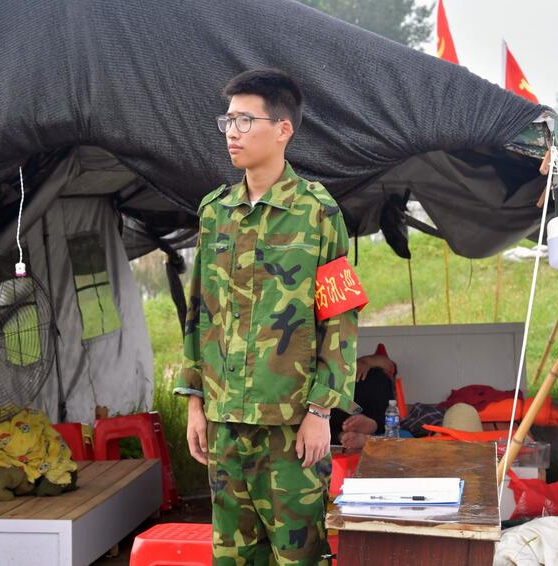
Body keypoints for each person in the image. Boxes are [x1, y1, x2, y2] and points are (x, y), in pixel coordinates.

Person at [174, 68, 359, 565]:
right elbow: (199, 313)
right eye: (227, 121)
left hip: (290, 428)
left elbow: (340, 319)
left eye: (244, 120)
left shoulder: (319, 213)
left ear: (283, 129)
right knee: (232, 557)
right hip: (224, 424)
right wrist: (195, 401)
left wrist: (321, 413)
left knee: (297, 557)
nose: (232, 132)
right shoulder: (215, 212)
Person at [332, 350, 398, 449]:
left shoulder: (363, 367)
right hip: (337, 411)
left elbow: (389, 364)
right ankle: (351, 436)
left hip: (362, 409)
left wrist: (364, 362)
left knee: (378, 376)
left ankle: (366, 428)